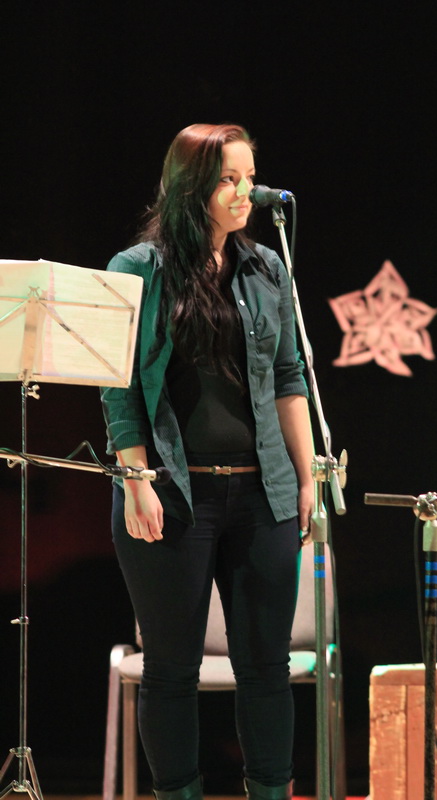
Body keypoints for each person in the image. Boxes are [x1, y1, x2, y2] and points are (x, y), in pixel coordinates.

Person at [101, 123, 315, 800]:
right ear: (191, 187)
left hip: (261, 494)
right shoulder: (136, 268)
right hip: (171, 492)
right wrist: (136, 479)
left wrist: (307, 475)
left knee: (267, 668)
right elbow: (118, 386)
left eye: (250, 177)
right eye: (229, 179)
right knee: (171, 669)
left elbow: (289, 378)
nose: (245, 191)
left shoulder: (267, 267)